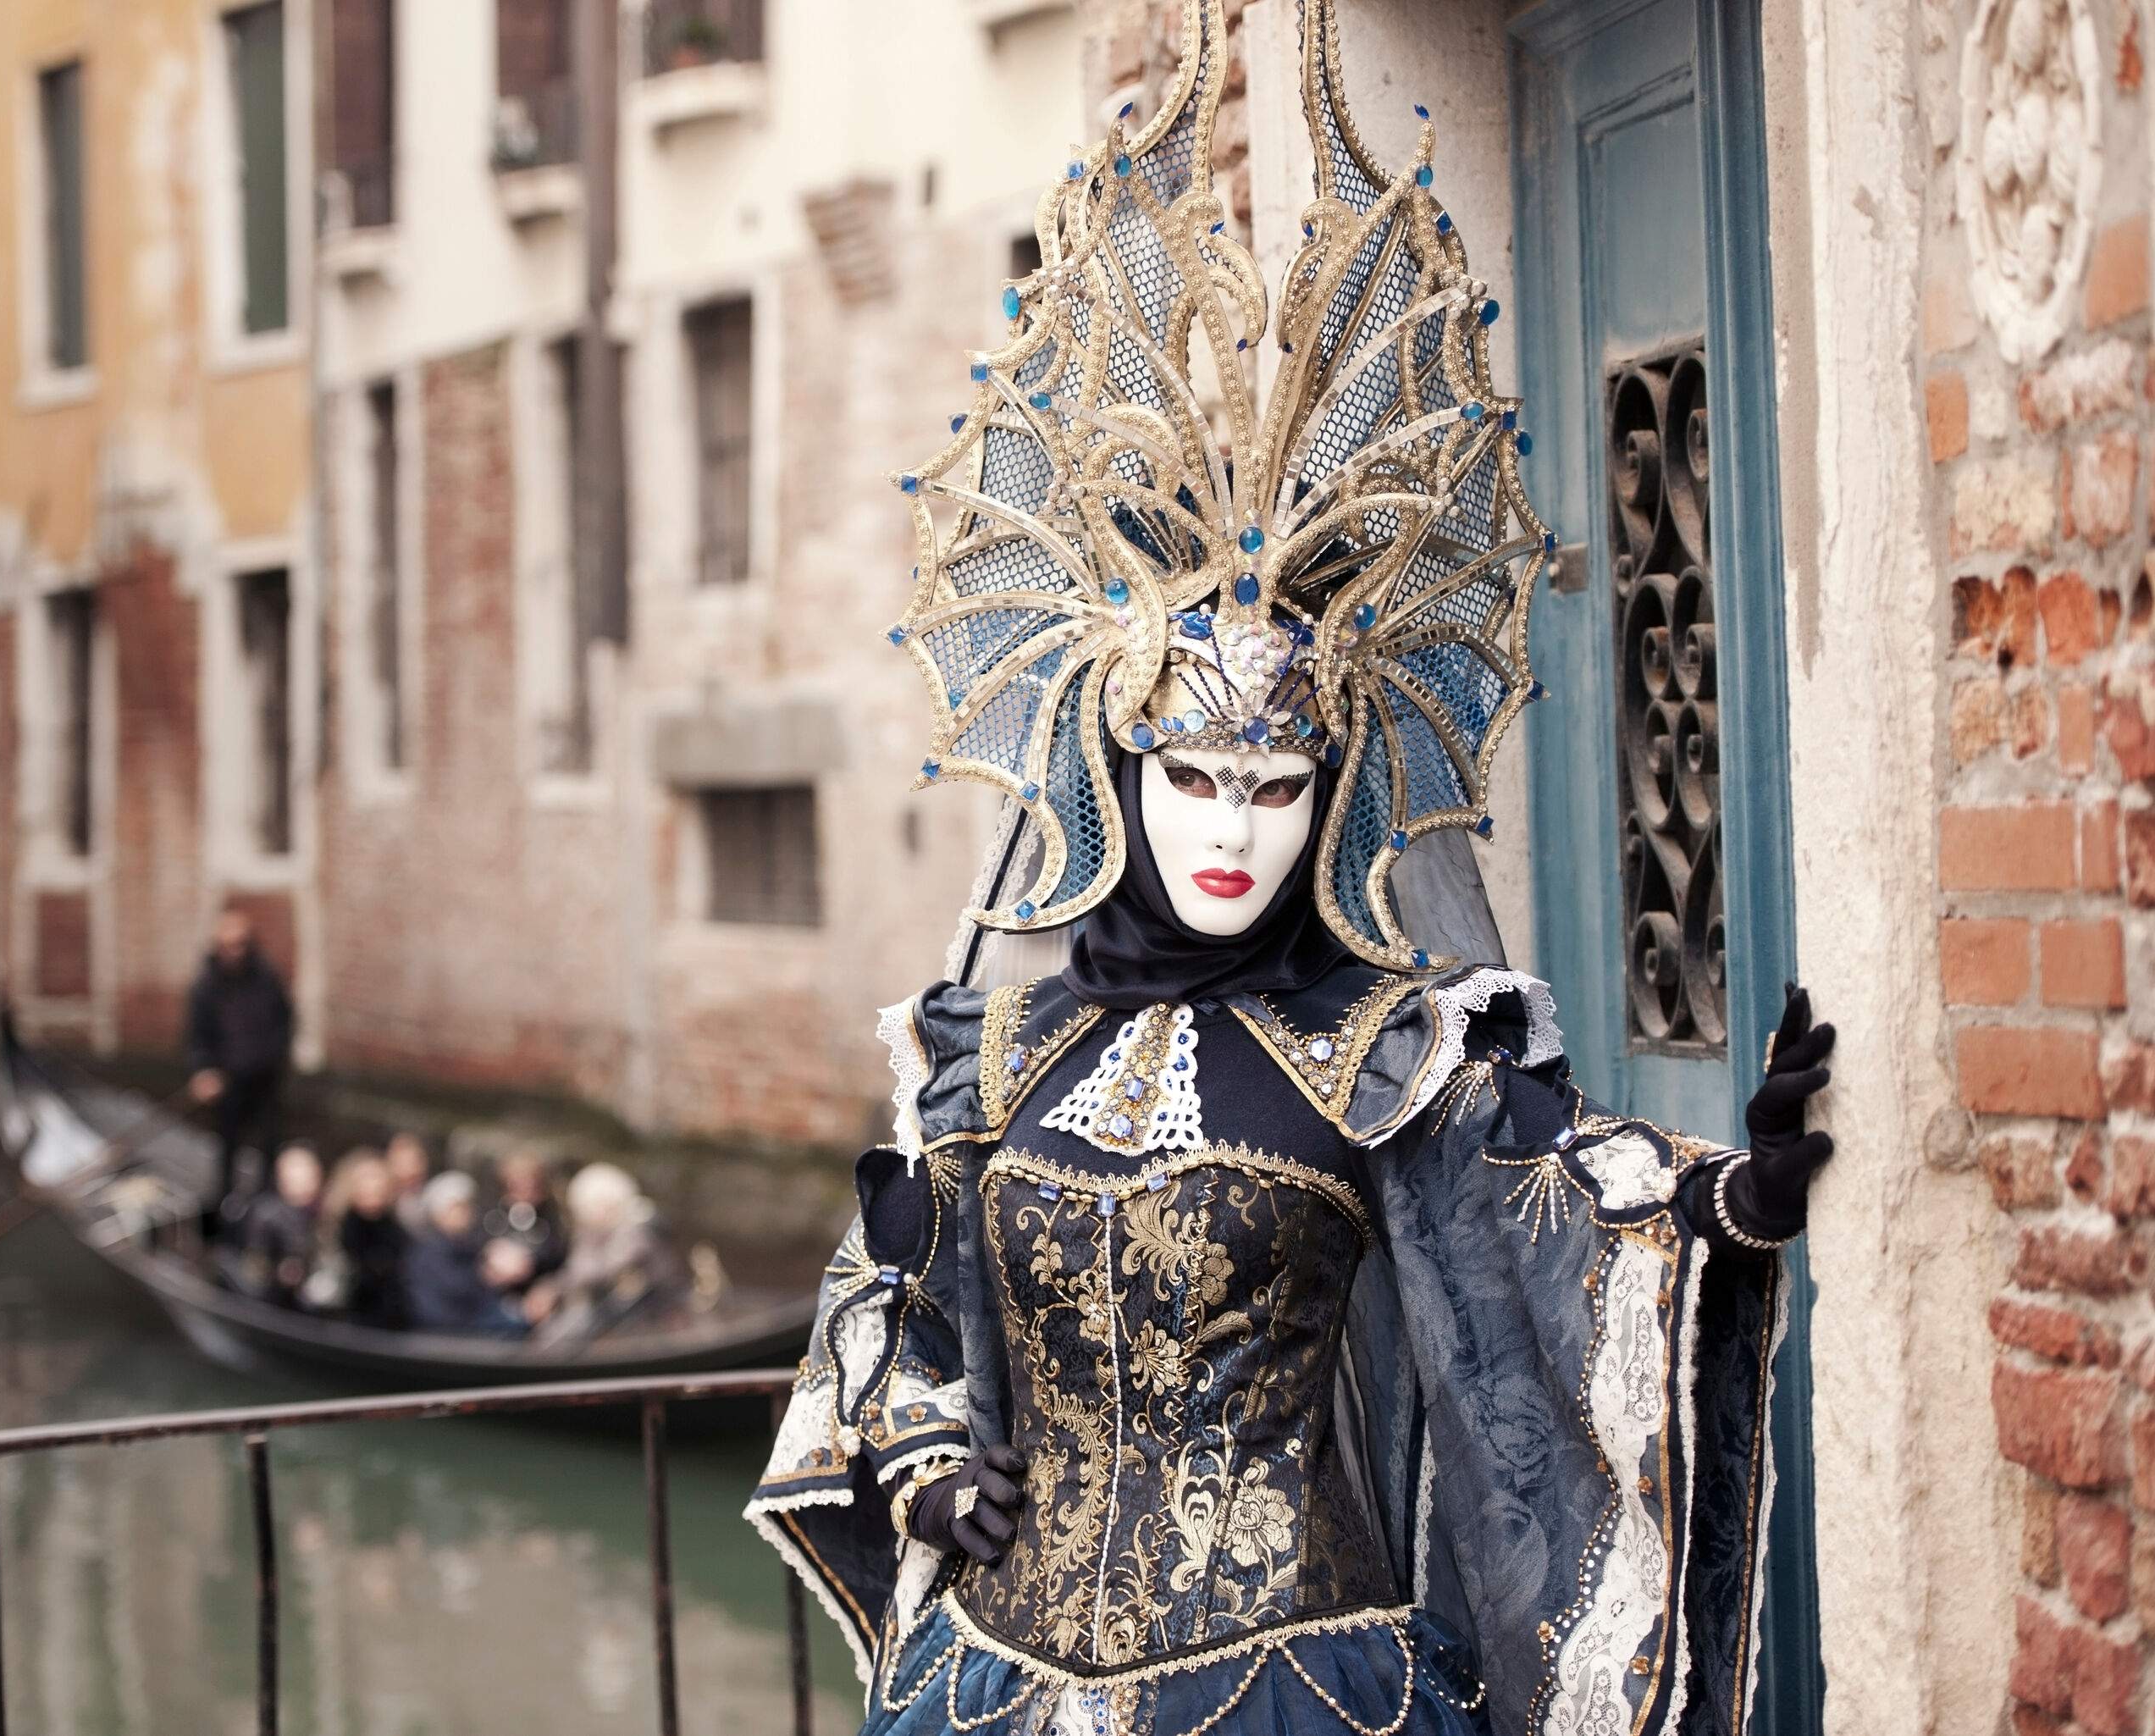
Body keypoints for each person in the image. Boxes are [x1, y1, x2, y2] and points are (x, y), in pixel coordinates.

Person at [744, 11, 1837, 1733]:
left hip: (1298, 1690)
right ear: (1119, 774)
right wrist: (933, 1463)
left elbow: (1554, 1225)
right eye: (1192, 777)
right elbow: (888, 1308)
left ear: (1325, 793)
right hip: (994, 1691)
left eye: (1276, 783)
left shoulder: (1384, 1056)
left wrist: (1738, 1199)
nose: (1233, 828)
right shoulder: (987, 1055)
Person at [184, 908, 296, 1226]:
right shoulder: (205, 987)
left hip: (264, 1078)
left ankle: (266, 1206)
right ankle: (224, 1209)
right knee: (227, 1146)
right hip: (227, 1081)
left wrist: (271, 1058)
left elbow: (283, 1022)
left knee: (269, 1142)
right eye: (228, 945)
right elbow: (197, 1037)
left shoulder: (266, 979)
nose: (235, 952)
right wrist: (203, 1071)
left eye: (241, 944)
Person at [527, 1163, 684, 1341]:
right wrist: (550, 1288)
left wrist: (556, 1289)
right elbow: (578, 1266)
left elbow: (602, 1269)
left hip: (653, 1314)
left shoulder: (639, 1227)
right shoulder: (597, 1231)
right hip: (620, 1312)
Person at [404, 1173, 528, 1337]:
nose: (465, 1213)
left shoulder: (470, 1248)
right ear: (439, 1213)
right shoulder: (427, 1255)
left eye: (468, 1206)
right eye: (458, 1207)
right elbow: (442, 1311)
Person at [322, 1149, 410, 1331]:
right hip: (344, 1323)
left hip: (389, 1326)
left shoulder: (397, 1231)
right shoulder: (337, 1229)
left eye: (378, 1178)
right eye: (366, 1179)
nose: (373, 1186)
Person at [224, 1144, 323, 1308]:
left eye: (307, 1176)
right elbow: (254, 1263)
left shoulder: (323, 1214)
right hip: (271, 1298)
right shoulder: (265, 1213)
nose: (302, 1184)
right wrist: (279, 1272)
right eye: (294, 1177)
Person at [478, 1148, 566, 1291]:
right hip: (490, 1292)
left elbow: (556, 1255)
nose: (524, 1188)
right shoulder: (492, 1212)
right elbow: (477, 1245)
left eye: (529, 1181)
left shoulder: (549, 1215)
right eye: (516, 1183)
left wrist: (529, 1262)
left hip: (534, 1291)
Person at [384, 1131, 435, 1237]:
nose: (411, 1170)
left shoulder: (433, 1197)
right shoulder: (382, 1200)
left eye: (415, 1163)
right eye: (402, 1164)